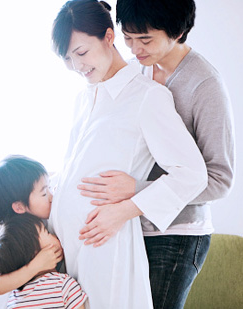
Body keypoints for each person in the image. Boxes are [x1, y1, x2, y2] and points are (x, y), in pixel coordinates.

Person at [49, 0, 208, 308]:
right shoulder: (85, 98)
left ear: (109, 37)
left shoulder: (147, 97)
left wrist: (125, 209)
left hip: (106, 246)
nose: (78, 65)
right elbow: (72, 170)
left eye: (81, 52)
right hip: (70, 248)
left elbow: (192, 174)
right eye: (68, 59)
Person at [77, 0, 236, 308]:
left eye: (146, 39)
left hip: (178, 234)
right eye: (128, 38)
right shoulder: (139, 73)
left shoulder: (205, 84)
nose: (135, 49)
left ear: (177, 31)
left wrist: (136, 191)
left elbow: (220, 180)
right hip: (134, 229)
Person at [0, 155, 63, 308]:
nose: (52, 197)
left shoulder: (39, 217)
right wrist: (35, 266)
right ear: (19, 207)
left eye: (49, 187)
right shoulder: (2, 235)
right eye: (44, 194)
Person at [0, 213, 87, 308]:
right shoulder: (64, 286)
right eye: (47, 232)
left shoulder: (13, 299)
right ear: (36, 254)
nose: (55, 235)